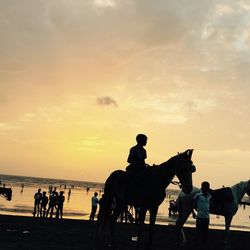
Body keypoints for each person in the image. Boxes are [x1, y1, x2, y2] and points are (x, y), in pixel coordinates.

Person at [193, 181, 211, 248]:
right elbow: (193, 203)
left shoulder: (209, 196)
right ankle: (196, 244)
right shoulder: (198, 195)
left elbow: (209, 205)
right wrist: (193, 212)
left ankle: (204, 244)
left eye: (207, 187)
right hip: (200, 217)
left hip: (207, 217)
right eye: (205, 187)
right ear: (202, 187)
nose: (206, 188)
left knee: (205, 232)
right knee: (198, 231)